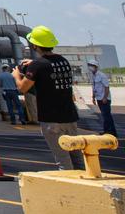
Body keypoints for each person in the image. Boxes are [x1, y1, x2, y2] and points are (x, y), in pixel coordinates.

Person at [13, 25, 84, 171]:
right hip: (70, 116)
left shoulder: (37, 66)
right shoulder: (63, 61)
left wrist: (16, 76)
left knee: (63, 160)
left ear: (34, 45)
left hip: (51, 118)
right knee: (76, 157)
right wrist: (33, 64)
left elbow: (23, 88)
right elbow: (49, 67)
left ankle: (69, 192)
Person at [88, 60, 117, 138]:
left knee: (106, 116)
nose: (90, 67)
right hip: (99, 98)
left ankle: (109, 132)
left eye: (92, 65)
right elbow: (94, 87)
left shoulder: (102, 75)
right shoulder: (93, 76)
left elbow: (106, 87)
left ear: (96, 67)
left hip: (104, 99)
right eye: (89, 65)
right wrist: (93, 97)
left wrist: (105, 97)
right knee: (106, 116)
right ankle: (110, 132)